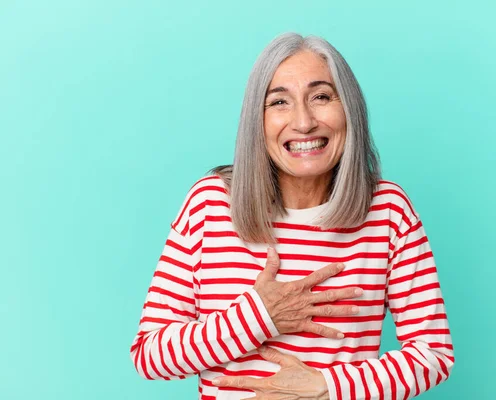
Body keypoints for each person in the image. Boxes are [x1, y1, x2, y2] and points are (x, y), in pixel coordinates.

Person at [130, 32, 454, 400]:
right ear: (257, 120)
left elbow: (433, 353)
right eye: (279, 102)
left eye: (320, 97)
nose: (303, 122)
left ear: (349, 109)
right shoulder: (210, 204)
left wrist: (327, 388)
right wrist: (258, 316)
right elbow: (150, 355)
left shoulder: (388, 210)